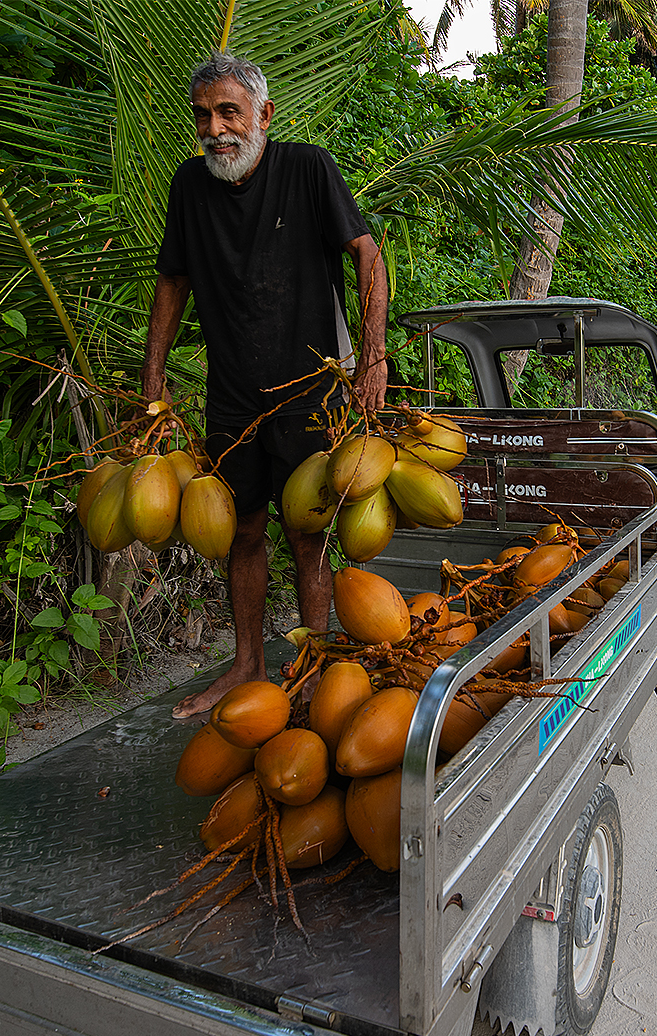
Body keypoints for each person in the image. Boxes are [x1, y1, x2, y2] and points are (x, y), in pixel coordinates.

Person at [142, 52, 388, 718]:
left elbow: (367, 252)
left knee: (307, 537)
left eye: (229, 112)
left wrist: (372, 356)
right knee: (242, 533)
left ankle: (312, 672)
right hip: (232, 398)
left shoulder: (307, 169)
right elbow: (173, 280)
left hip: (310, 392)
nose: (216, 129)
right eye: (203, 116)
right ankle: (247, 666)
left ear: (263, 115)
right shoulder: (189, 186)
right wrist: (152, 374)